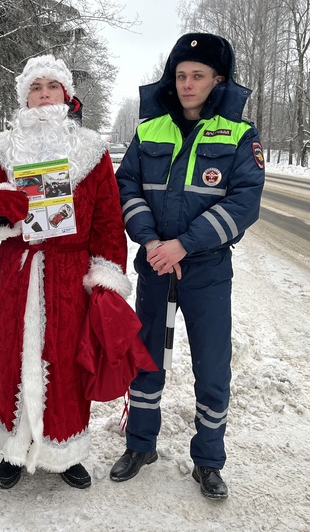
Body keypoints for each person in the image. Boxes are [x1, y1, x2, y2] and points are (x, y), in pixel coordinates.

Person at [111, 33, 265, 499]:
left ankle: (209, 461)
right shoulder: (151, 129)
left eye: (198, 75)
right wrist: (154, 242)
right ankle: (141, 445)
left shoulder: (239, 133)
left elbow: (244, 202)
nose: (187, 84)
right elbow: (127, 187)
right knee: (146, 359)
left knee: (213, 367)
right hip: (155, 265)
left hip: (207, 269)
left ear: (218, 79)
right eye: (181, 75)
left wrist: (184, 244)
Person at [0, 55, 130, 490]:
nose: (43, 94)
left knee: (68, 361)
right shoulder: (2, 148)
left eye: (51, 86)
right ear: (25, 97)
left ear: (67, 94)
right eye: (35, 87)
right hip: (18, 273)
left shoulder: (91, 150)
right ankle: (14, 450)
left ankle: (67, 449)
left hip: (71, 274)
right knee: (11, 358)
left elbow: (109, 221)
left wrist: (107, 278)